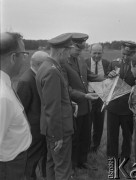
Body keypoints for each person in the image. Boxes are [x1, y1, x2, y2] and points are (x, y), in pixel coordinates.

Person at [61, 33, 104, 170]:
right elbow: (66, 89)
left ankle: (82, 161)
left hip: (86, 106)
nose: (79, 52)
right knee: (75, 138)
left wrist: (107, 77)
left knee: (85, 136)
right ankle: (73, 165)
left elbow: (90, 76)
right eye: (77, 49)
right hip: (74, 108)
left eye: (81, 49)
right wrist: (84, 96)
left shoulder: (80, 60)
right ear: (70, 46)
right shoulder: (62, 63)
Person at [36, 33, 74, 180]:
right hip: (59, 130)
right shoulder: (52, 71)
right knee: (63, 168)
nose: (69, 57)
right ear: (61, 51)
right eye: (68, 53)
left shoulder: (46, 66)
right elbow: (53, 107)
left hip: (51, 127)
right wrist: (57, 135)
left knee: (52, 163)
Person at [0, 32, 32, 180]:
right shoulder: (3, 96)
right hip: (9, 167)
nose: (25, 59)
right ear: (13, 58)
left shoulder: (6, 84)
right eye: (24, 54)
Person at [17, 51, 49, 180]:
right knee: (31, 158)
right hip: (33, 129)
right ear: (40, 64)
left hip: (41, 126)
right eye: (47, 63)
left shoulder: (37, 76)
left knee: (41, 155)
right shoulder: (26, 80)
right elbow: (21, 109)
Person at [107, 41, 136, 163]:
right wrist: (109, 75)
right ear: (121, 50)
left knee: (127, 135)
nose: (125, 57)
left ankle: (126, 157)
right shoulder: (114, 63)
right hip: (113, 107)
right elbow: (107, 82)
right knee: (111, 135)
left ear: (134, 53)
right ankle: (112, 158)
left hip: (128, 108)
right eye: (124, 53)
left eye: (129, 54)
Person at [85, 43, 110, 153]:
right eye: (94, 53)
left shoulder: (107, 64)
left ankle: (95, 146)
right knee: (87, 122)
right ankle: (85, 145)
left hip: (101, 97)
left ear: (102, 53)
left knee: (99, 123)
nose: (97, 55)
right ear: (90, 52)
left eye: (99, 53)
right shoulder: (84, 63)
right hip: (88, 97)